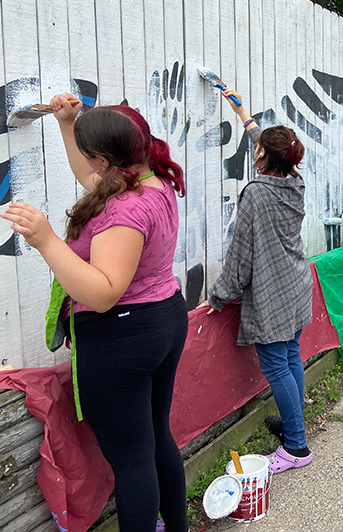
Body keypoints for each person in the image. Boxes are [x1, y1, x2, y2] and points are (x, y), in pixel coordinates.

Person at [1, 94, 189, 532]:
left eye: (92, 158)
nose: (89, 168)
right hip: (163, 318)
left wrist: (47, 241)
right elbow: (93, 178)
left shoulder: (125, 209)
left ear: (107, 160)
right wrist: (69, 125)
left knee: (132, 460)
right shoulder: (151, 178)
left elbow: (104, 293)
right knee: (156, 437)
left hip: (123, 338)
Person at [199, 89, 314, 474]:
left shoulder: (257, 194)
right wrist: (243, 114)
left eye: (259, 147)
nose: (256, 150)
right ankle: (294, 421)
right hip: (296, 284)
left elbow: (241, 256)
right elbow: (273, 149)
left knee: (277, 366)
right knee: (291, 356)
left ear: (263, 155)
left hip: (272, 292)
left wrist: (217, 297)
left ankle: (296, 447)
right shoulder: (294, 182)